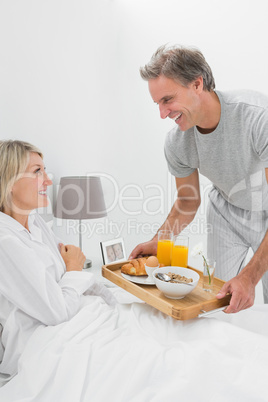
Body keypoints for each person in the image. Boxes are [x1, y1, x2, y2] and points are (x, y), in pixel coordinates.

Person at [130, 44, 268, 314]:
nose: (162, 113)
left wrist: (250, 276)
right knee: (216, 300)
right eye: (157, 103)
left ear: (197, 84)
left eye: (167, 99)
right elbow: (187, 201)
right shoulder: (177, 142)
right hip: (226, 210)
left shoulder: (257, 118)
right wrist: (161, 240)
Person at [0, 140, 116, 380]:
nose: (48, 180)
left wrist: (114, 304)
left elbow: (66, 271)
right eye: (37, 171)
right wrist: (74, 267)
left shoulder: (35, 222)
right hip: (38, 343)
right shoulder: (5, 241)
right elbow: (56, 311)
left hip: (73, 320)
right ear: (9, 181)